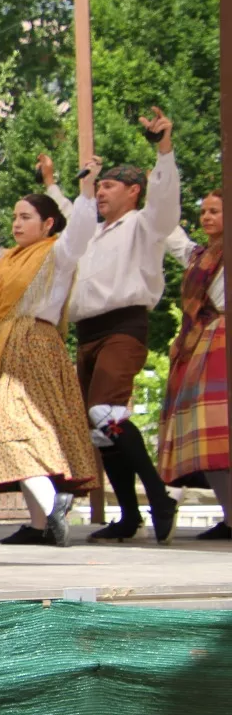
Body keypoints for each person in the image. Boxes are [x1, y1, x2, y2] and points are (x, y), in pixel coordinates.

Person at [38, 110, 182, 543]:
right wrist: (51, 183)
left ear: (133, 191)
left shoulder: (146, 225)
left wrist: (163, 148)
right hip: (89, 333)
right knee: (98, 429)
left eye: (108, 186)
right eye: (98, 186)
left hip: (124, 326)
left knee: (107, 412)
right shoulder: (95, 234)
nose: (99, 192)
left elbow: (165, 201)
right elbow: (69, 212)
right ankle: (129, 515)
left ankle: (159, 496)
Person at [0, 157, 100, 545]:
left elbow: (80, 232)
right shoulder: (4, 258)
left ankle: (51, 508)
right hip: (5, 351)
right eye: (15, 216)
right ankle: (41, 524)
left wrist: (86, 191)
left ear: (48, 224)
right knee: (12, 431)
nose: (16, 223)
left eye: (26, 216)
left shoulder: (57, 254)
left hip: (34, 349)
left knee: (17, 429)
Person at [160, 190, 228, 538]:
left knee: (222, 435)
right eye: (204, 211)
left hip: (221, 339)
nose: (207, 217)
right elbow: (172, 236)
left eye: (215, 211)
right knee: (208, 438)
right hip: (205, 342)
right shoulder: (200, 256)